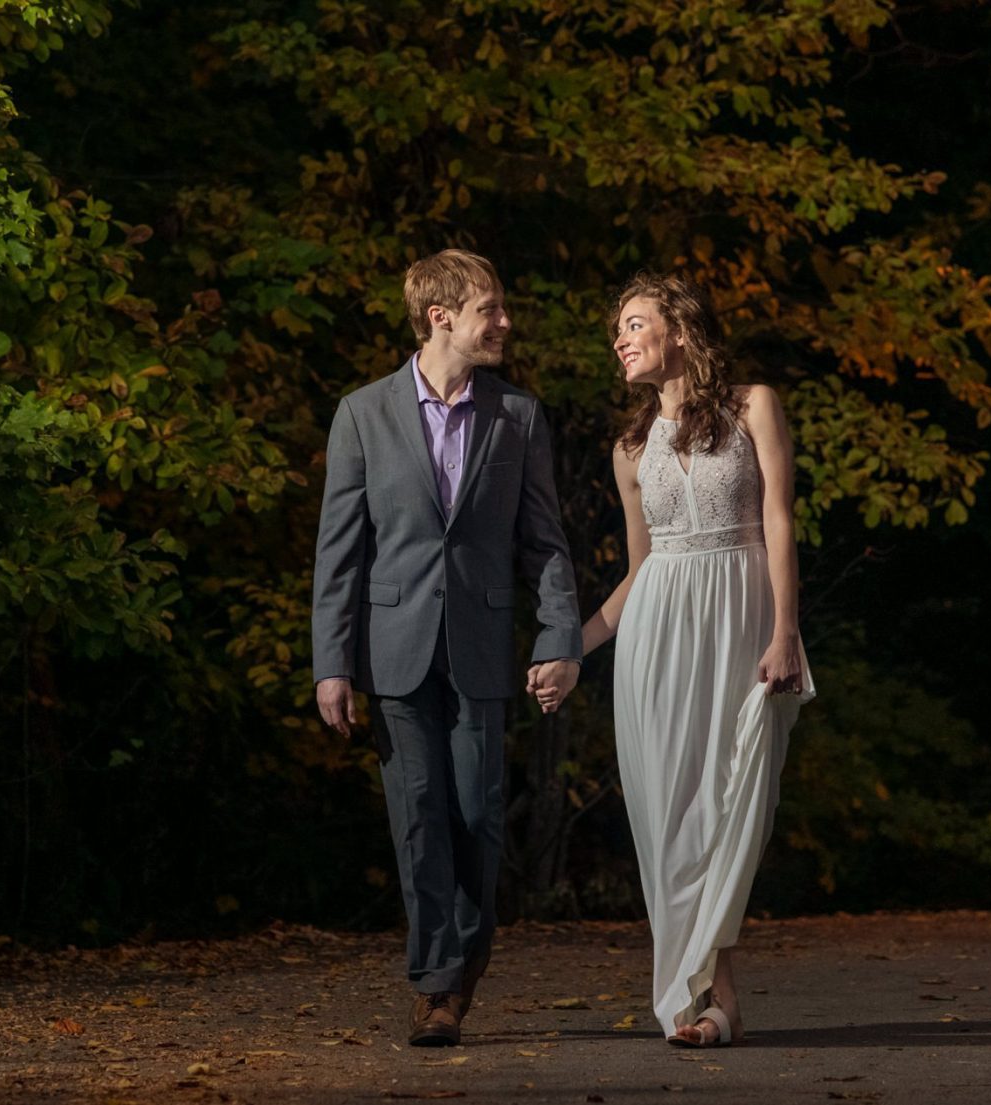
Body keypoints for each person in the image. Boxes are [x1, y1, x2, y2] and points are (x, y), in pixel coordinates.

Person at [312, 248, 583, 1047]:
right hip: (393, 648)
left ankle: (464, 958)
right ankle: (435, 982)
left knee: (477, 813)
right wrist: (332, 663)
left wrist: (560, 636)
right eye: (489, 309)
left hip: (481, 646)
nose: (504, 322)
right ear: (441, 318)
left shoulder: (518, 416)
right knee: (419, 815)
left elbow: (546, 543)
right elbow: (339, 552)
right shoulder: (362, 414)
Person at [547, 272, 813, 1048]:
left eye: (634, 323)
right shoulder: (631, 448)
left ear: (682, 329)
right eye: (617, 329)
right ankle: (710, 1001)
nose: (620, 338)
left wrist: (786, 630)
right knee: (670, 819)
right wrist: (569, 650)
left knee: (733, 805)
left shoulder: (753, 406)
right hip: (657, 639)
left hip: (744, 625)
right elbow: (638, 572)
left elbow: (778, 519)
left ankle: (709, 992)